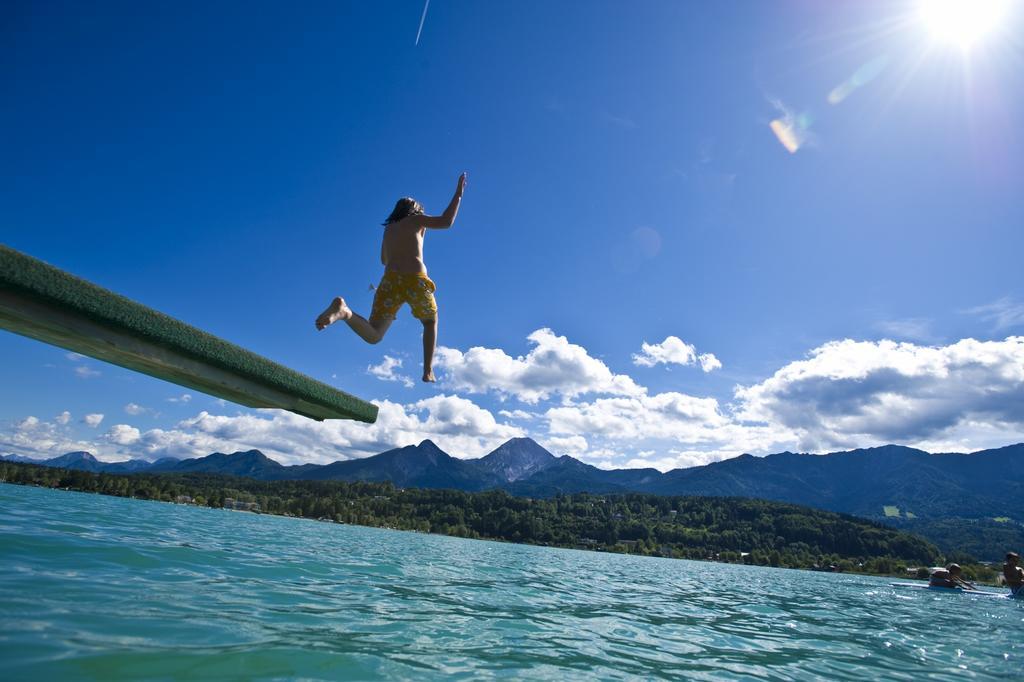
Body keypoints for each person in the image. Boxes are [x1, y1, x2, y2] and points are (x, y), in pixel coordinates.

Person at [316, 173, 467, 382]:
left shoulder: (388, 230)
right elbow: (446, 222)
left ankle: (344, 312)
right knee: (430, 322)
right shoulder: (416, 219)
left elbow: (383, 259)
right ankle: (428, 370)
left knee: (375, 335)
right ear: (415, 210)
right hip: (415, 278)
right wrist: (458, 194)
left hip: (390, 281)